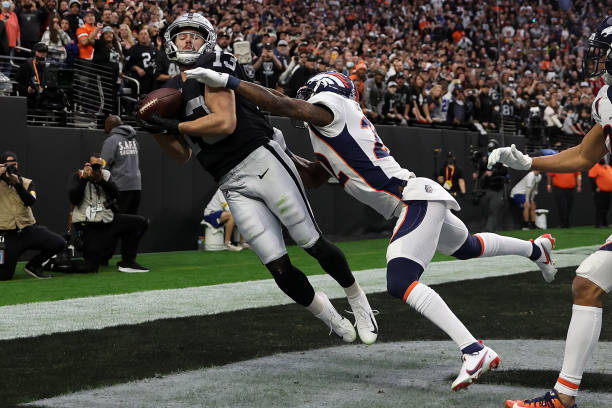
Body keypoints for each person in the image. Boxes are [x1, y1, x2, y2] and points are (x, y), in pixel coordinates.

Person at [185, 68, 559, 391]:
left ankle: (474, 350)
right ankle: (536, 249)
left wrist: (230, 81)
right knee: (468, 247)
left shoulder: (333, 110)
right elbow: (316, 177)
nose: (308, 102)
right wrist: (281, 151)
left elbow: (286, 106)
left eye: (311, 94)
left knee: (399, 281)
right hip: (413, 197)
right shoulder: (330, 128)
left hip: (411, 198)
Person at [138, 13, 378, 346]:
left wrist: (174, 126)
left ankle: (357, 300)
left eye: (195, 35)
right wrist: (155, 129)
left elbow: (224, 122)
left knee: (311, 242)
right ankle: (328, 315)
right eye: (182, 37)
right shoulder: (170, 91)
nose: (189, 41)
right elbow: (182, 155)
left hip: (261, 158)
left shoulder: (216, 62)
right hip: (229, 179)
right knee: (277, 266)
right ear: (170, 43)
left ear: (207, 40)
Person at [487, 16, 612, 408]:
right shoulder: (605, 99)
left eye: (606, 53)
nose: (601, 61)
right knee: (587, 282)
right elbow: (583, 154)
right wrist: (529, 164)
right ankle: (563, 398)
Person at [68, 153, 149, 273]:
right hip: (88, 224)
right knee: (90, 267)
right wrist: (84, 179)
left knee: (139, 223)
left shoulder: (105, 175)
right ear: (87, 165)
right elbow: (74, 199)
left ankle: (128, 262)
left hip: (107, 220)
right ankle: (58, 265)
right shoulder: (78, 176)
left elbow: (116, 194)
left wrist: (101, 181)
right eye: (94, 166)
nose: (97, 169)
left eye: (99, 166)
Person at [0, 151, 65, 280]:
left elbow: (31, 201)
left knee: (59, 243)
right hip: (7, 236)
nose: (11, 167)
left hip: (28, 230)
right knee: (4, 275)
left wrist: (18, 185)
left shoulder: (27, 182)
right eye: (7, 165)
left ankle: (33, 266)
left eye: (14, 164)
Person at [101, 115, 141, 215]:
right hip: (136, 186)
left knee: (119, 221)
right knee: (131, 219)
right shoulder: (133, 139)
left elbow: (103, 166)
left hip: (120, 187)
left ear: (109, 126)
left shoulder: (111, 141)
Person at [587, 158, 612, 228]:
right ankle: (598, 224)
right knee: (600, 208)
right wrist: (595, 188)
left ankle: (605, 223)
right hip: (600, 192)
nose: (603, 159)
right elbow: (591, 178)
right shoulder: (595, 167)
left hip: (608, 192)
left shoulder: (608, 167)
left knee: (606, 208)